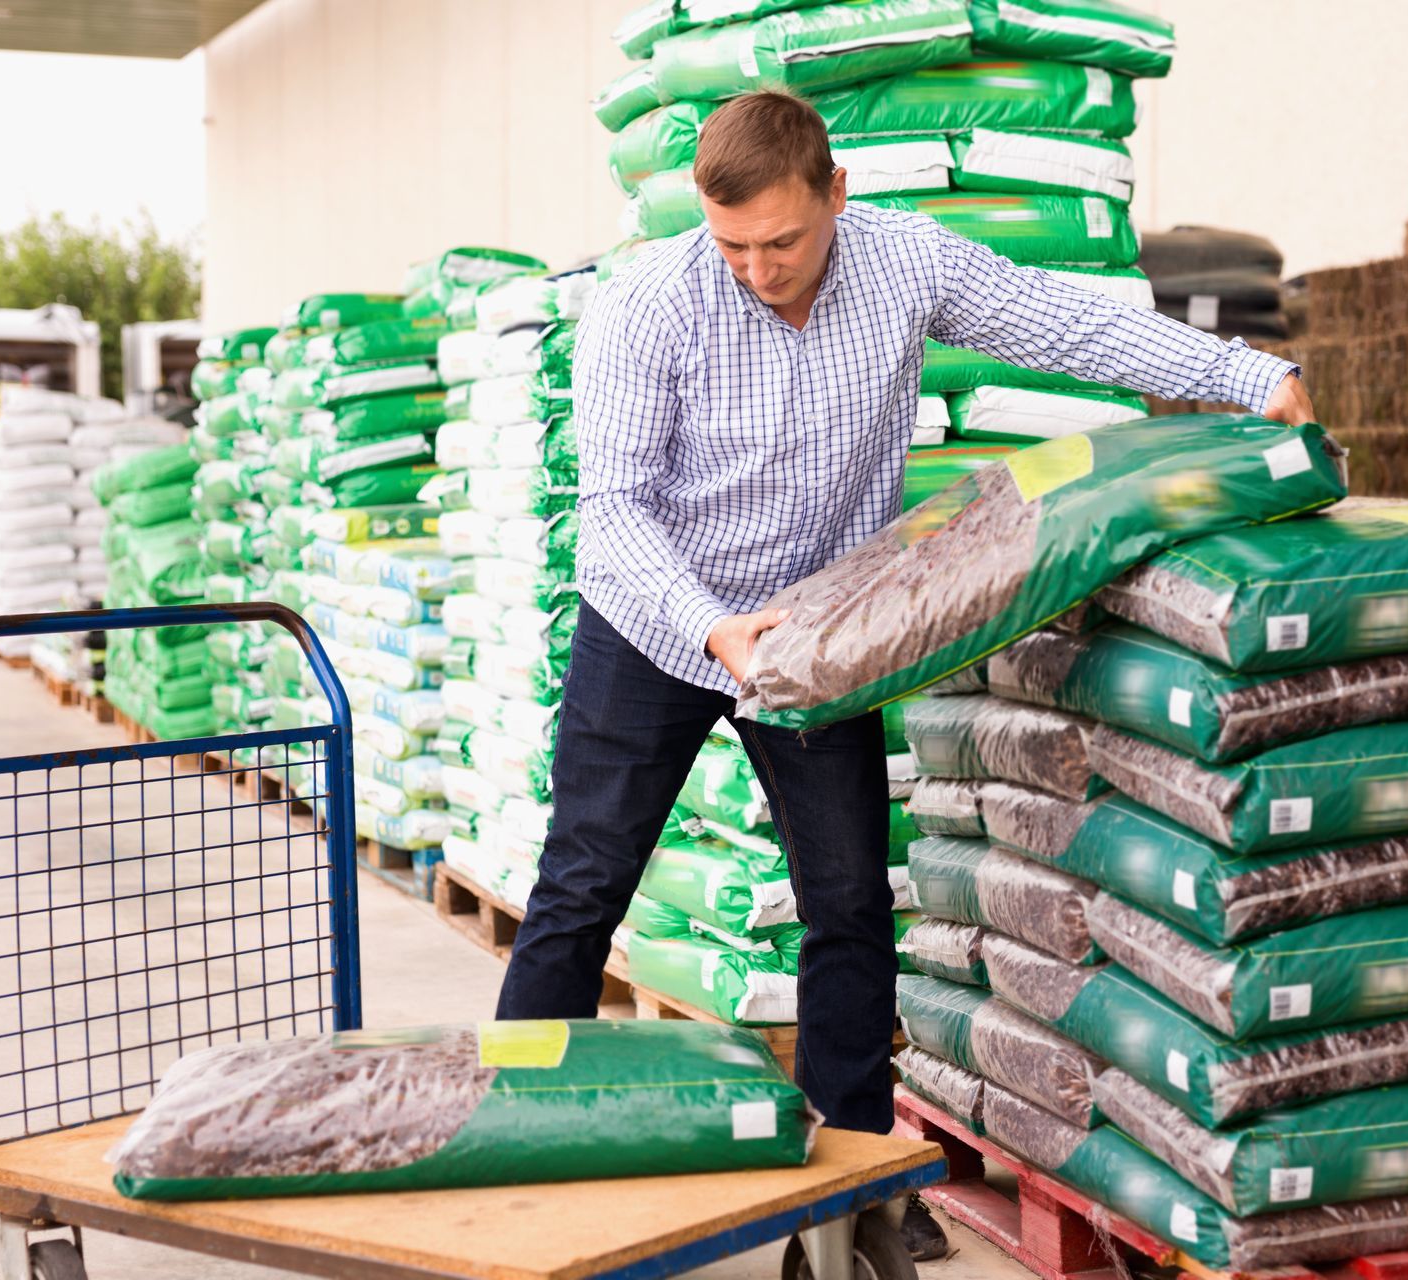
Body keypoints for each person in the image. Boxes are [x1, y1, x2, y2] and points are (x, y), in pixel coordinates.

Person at [496, 89, 1316, 1259]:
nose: (758, 270)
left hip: (821, 633)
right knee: (582, 884)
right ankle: (521, 1146)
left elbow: (1061, 323)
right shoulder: (650, 303)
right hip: (657, 623)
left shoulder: (902, 261)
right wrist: (714, 626)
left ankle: (857, 1185)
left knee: (849, 902)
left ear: (837, 195)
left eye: (782, 241)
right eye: (732, 245)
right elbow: (614, 515)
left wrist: (1243, 376)